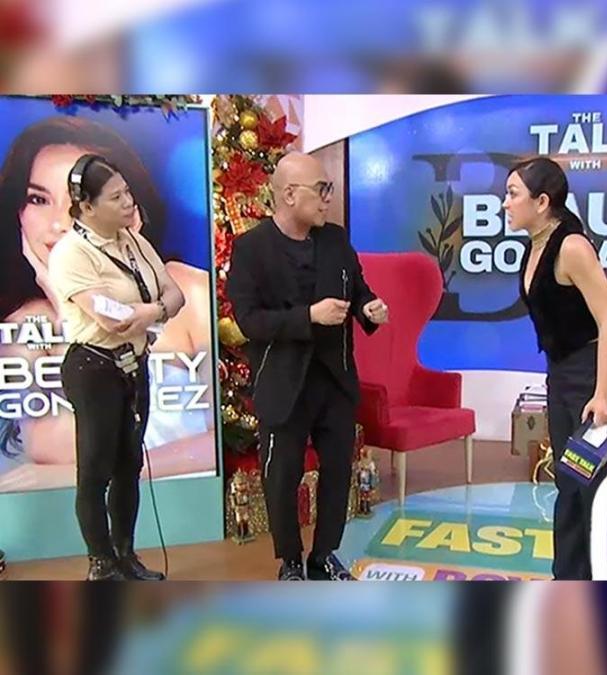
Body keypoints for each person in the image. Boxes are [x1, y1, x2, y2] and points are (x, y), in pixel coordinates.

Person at [0, 115, 214, 492]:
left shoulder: (189, 289)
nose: (58, 224)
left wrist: (125, 473)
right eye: (38, 199)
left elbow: (220, 442)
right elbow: (55, 449)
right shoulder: (27, 324)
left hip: (190, 505)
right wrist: (66, 302)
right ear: (19, 213)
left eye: (78, 201)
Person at [227, 151, 389, 581]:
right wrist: (308, 317)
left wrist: (368, 308)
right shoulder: (251, 249)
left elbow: (358, 289)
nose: (328, 198)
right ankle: (291, 560)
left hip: (334, 380)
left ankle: (323, 555)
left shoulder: (335, 240)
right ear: (289, 194)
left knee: (338, 473)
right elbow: (249, 321)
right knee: (282, 477)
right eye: (321, 190)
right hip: (284, 382)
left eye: (328, 189)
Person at [47, 153, 185, 580]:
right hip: (94, 367)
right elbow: (111, 318)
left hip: (133, 363)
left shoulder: (135, 241)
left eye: (128, 192)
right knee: (95, 470)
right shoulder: (71, 253)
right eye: (116, 196)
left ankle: (126, 555)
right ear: (86, 206)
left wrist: (151, 312)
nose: (129, 202)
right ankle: (102, 563)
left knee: (130, 466)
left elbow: (176, 294)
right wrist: (154, 311)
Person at [502, 157, 607, 580]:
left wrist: (602, 395)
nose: (505, 203)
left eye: (513, 194)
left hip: (594, 381)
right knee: (568, 485)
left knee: (592, 491)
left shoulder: (572, 247)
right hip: (561, 378)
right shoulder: (533, 246)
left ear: (542, 202)